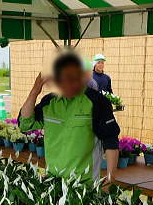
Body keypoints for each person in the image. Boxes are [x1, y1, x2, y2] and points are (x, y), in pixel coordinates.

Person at [19, 52, 121, 181]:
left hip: (84, 185)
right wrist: (35, 90)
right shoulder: (49, 101)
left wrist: (110, 179)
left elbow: (110, 141)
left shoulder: (97, 101)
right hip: (53, 181)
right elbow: (25, 124)